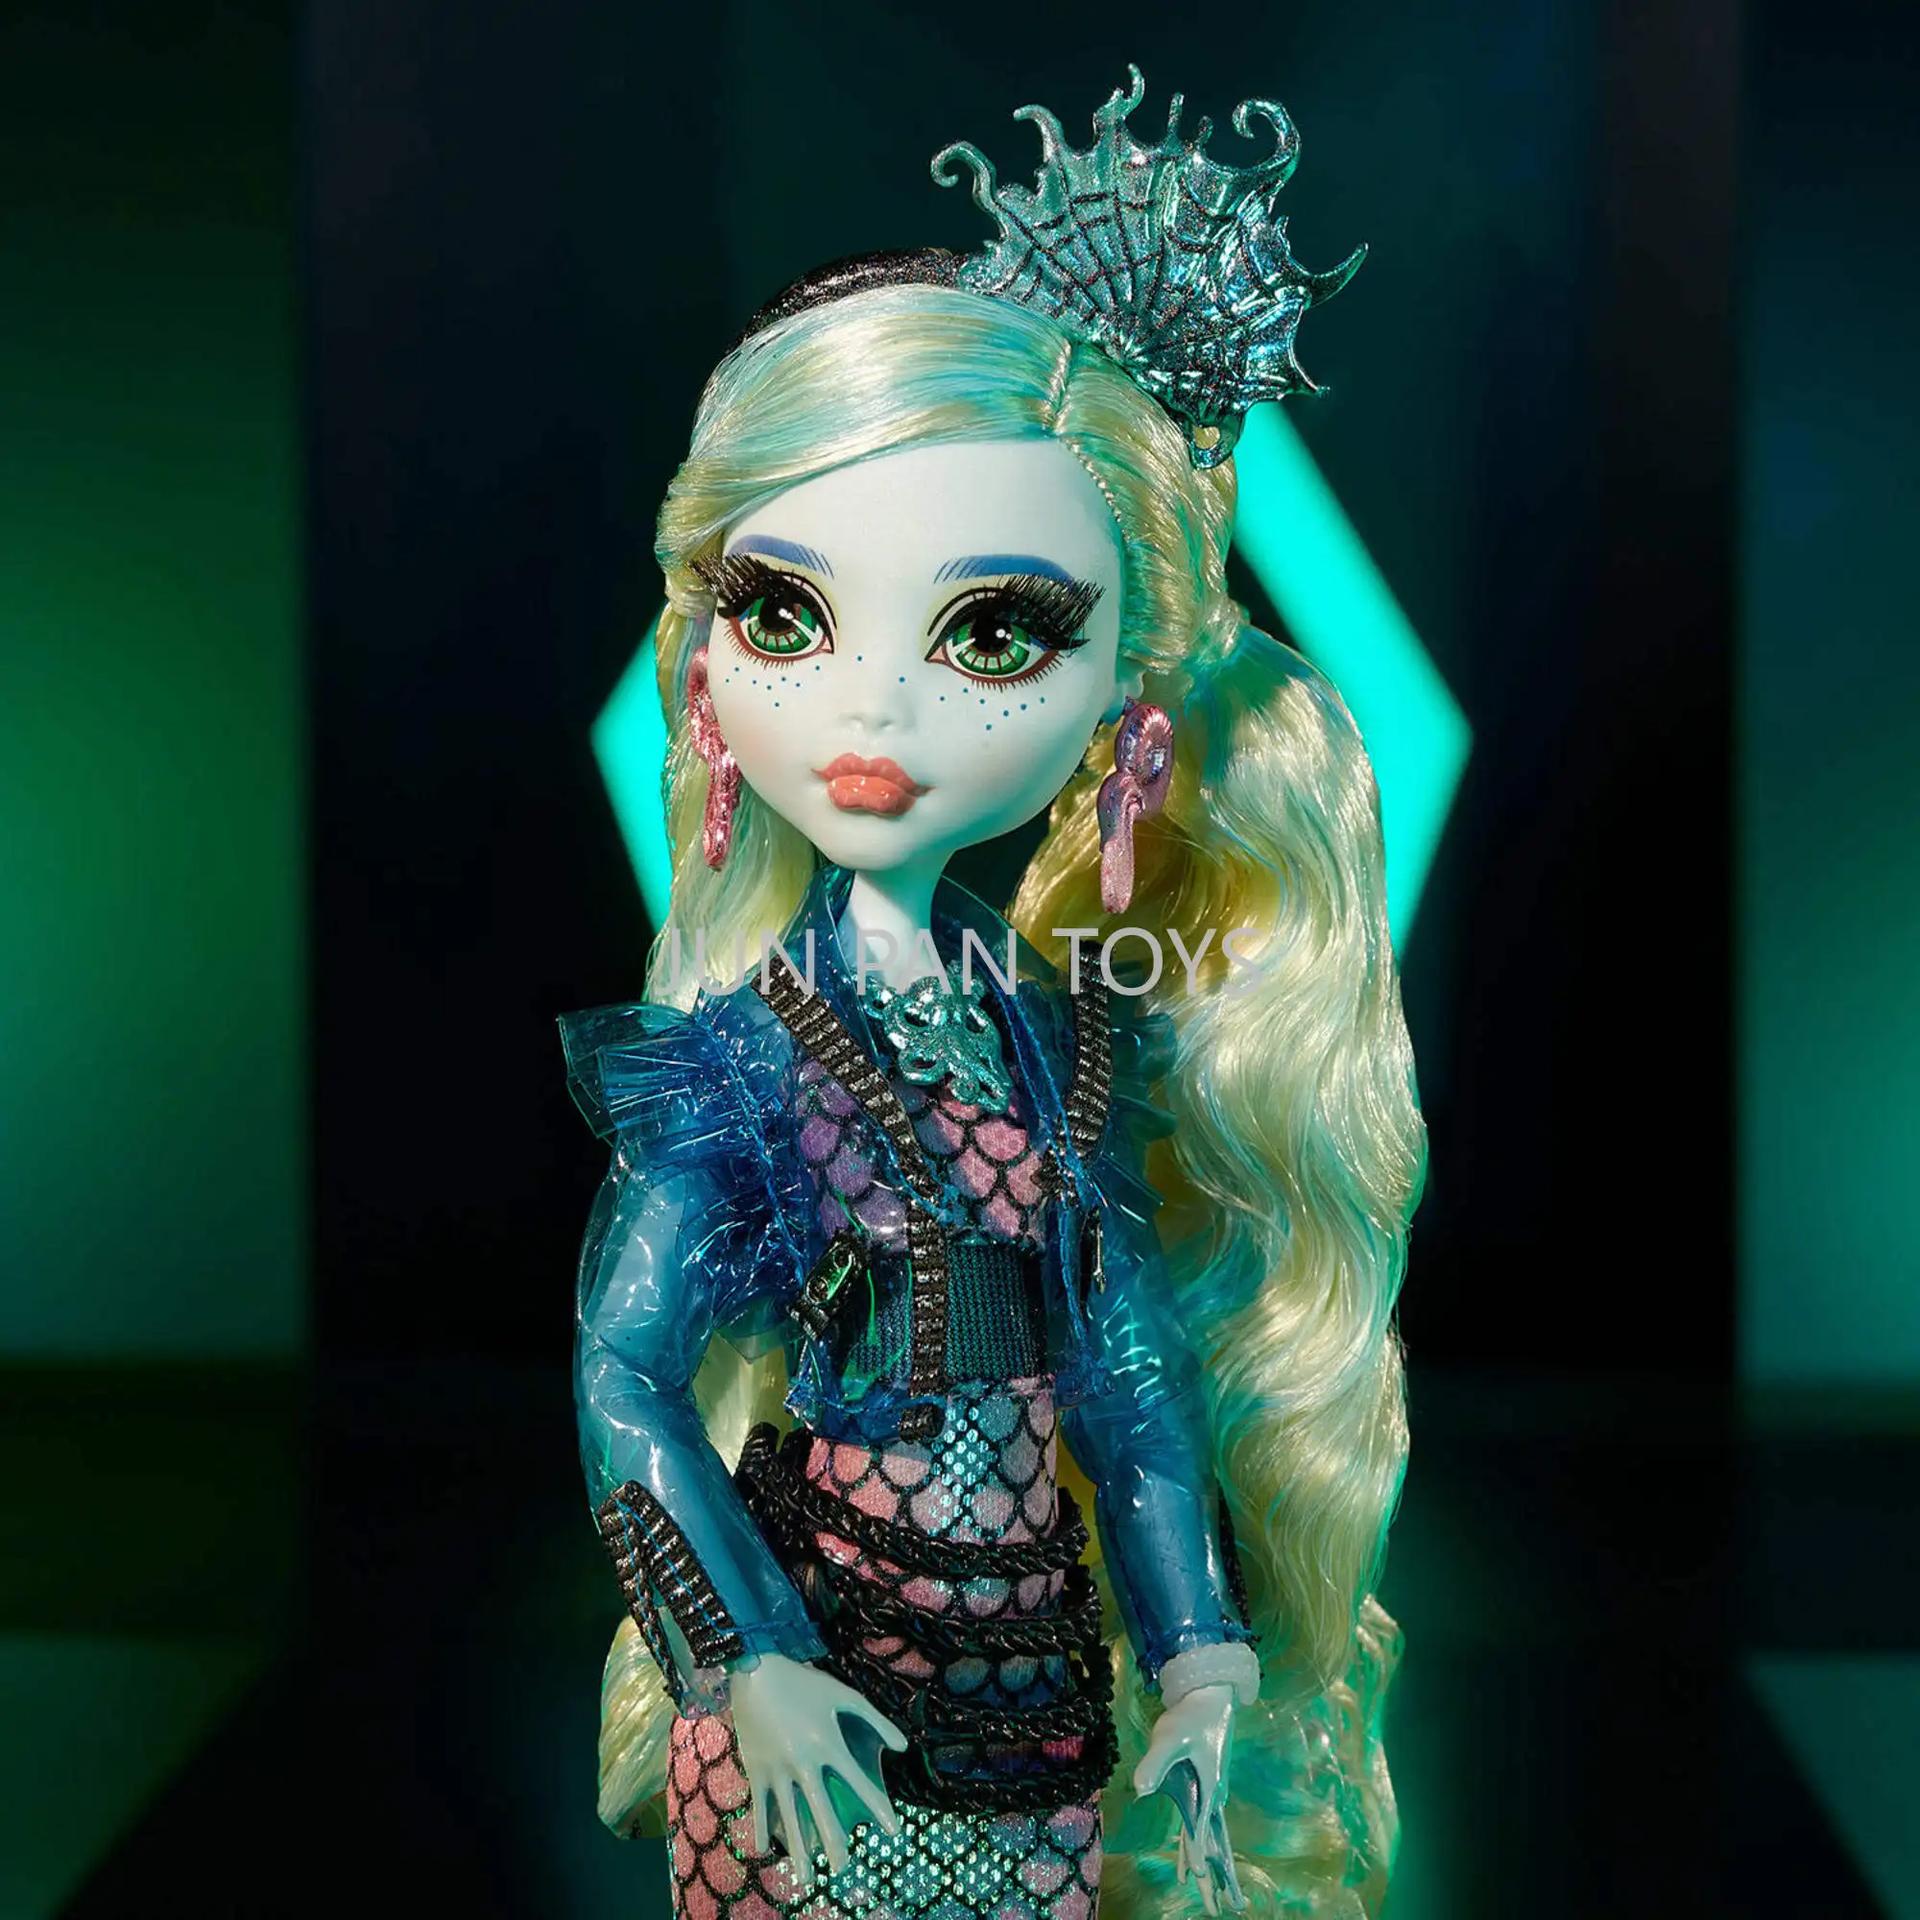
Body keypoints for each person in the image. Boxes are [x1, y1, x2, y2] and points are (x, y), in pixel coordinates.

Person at [561, 67, 1425, 1920]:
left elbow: (1122, 1365)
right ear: (707, 675)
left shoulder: (1062, 1045)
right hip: (807, 1684)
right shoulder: (732, 1068)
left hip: (1034, 1691)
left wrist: (1197, 1644)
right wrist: (737, 1656)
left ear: (1127, 715)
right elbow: (624, 1371)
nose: (875, 706)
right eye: (787, 615)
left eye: (994, 633)